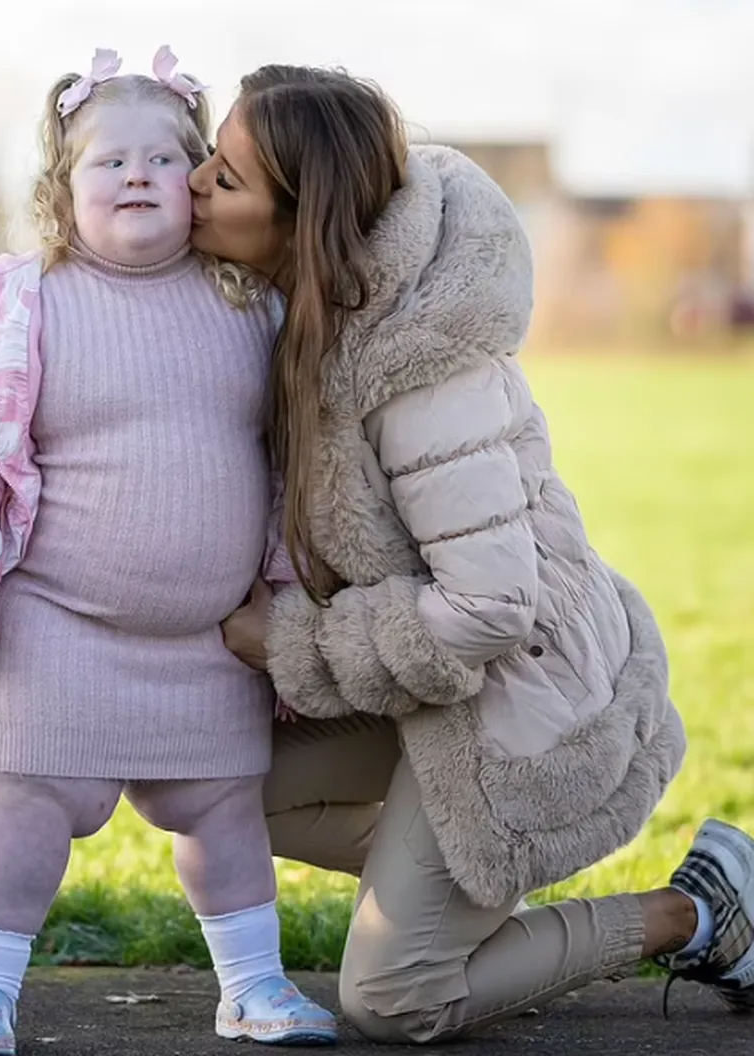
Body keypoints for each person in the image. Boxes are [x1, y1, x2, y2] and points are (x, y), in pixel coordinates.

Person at [191, 64, 754, 1044]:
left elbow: (492, 608)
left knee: (394, 997)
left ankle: (702, 910)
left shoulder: (418, 375)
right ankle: (435, 889)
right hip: (442, 696)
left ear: (302, 224)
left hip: (533, 702)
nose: (196, 184)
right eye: (209, 159)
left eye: (226, 180)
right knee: (213, 789)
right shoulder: (319, 324)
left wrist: (293, 643)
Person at [0, 48, 336, 1055]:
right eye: (108, 162)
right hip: (55, 620)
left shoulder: (249, 305)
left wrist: (287, 596)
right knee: (26, 803)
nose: (136, 176)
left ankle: (254, 986)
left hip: (208, 634)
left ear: (200, 186)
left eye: (164, 160)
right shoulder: (20, 304)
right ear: (62, 189)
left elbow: (293, 462)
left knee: (223, 812)